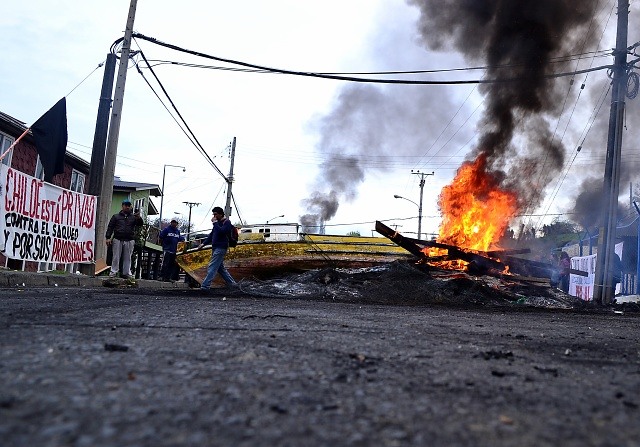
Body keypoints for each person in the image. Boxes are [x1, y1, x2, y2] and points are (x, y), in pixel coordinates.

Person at [197, 206, 237, 290]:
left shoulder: (227, 222)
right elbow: (212, 235)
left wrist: (215, 223)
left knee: (213, 266)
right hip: (215, 247)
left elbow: (222, 232)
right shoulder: (217, 223)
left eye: (215, 214)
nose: (214, 217)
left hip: (221, 247)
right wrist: (203, 244)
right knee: (220, 268)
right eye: (213, 214)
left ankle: (205, 286)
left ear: (221, 214)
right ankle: (233, 284)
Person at [105, 199, 144, 279]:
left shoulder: (133, 217)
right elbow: (110, 227)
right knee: (116, 257)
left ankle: (126, 273)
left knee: (128, 257)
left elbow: (140, 224)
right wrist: (108, 237)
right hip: (118, 238)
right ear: (122, 206)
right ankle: (113, 272)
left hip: (129, 239)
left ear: (130, 207)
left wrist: (139, 218)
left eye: (128, 205)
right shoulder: (116, 216)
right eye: (125, 205)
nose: (127, 207)